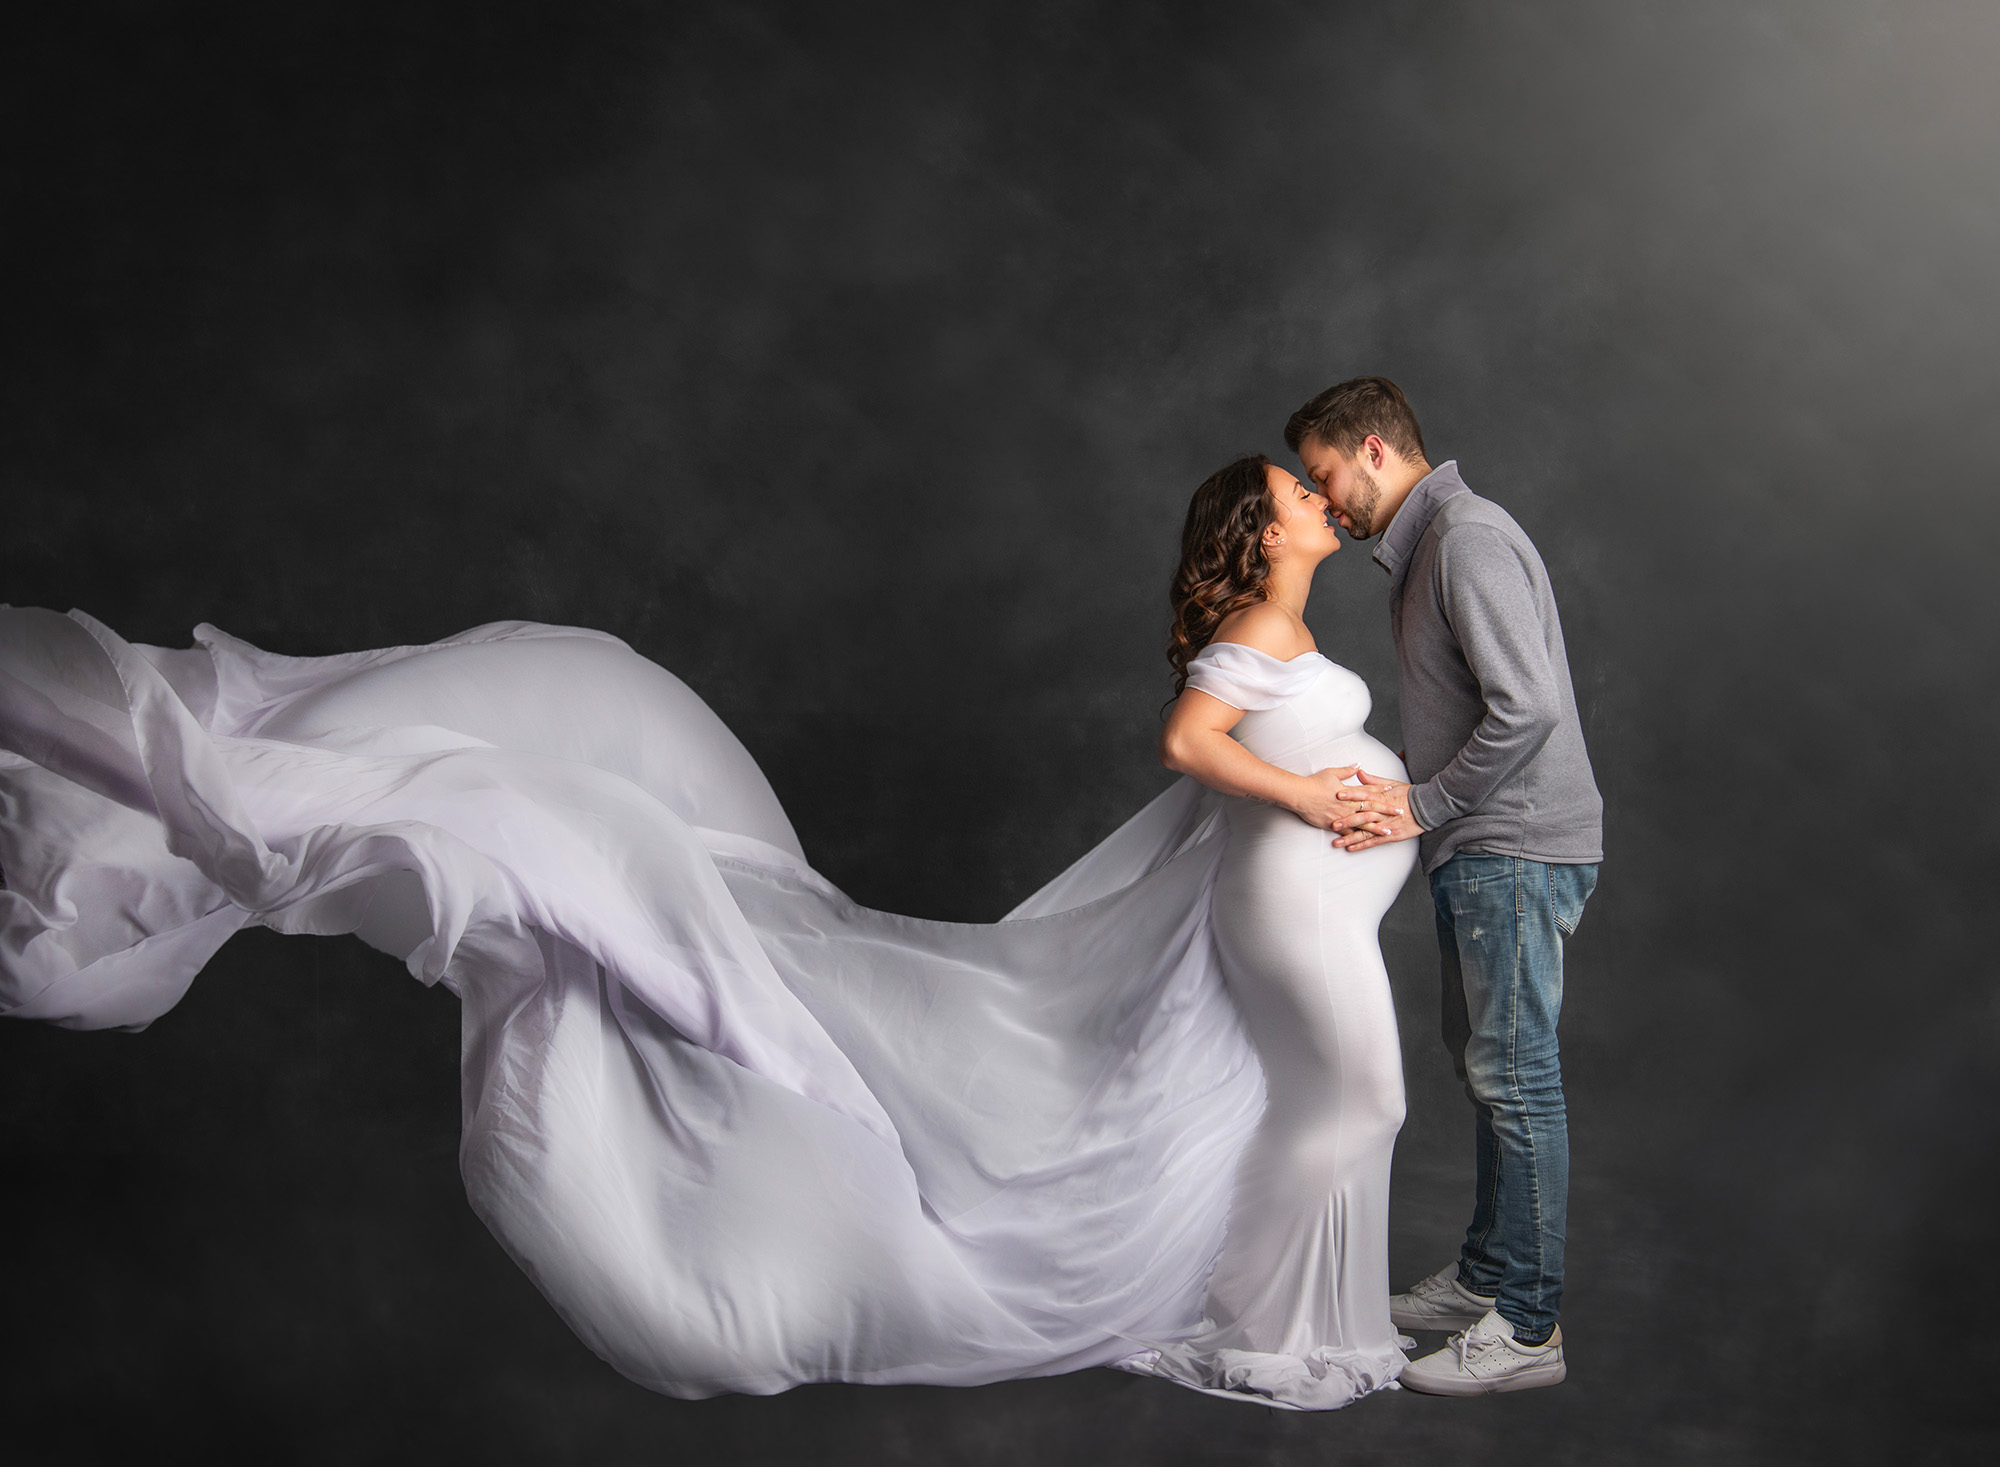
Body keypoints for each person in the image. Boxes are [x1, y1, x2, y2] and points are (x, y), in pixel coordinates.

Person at [0, 449, 1413, 1413]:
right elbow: (1194, 748)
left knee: (575, 790)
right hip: (1154, 961)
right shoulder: (1246, 650)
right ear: (1265, 530)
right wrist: (1313, 789)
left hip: (1181, 980)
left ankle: (157, 817)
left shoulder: (1283, 654)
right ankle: (145, 820)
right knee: (576, 726)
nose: (1318, 499)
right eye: (1302, 491)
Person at [1285, 376, 1604, 1396]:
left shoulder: (1463, 537)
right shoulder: (1429, 550)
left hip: (1510, 845)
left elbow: (1529, 709)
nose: (1322, 498)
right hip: (1482, 851)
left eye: (1324, 474)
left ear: (1373, 450)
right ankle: (1485, 1280)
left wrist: (1420, 808)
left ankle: (1528, 1330)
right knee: (1483, 1070)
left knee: (1515, 1080)